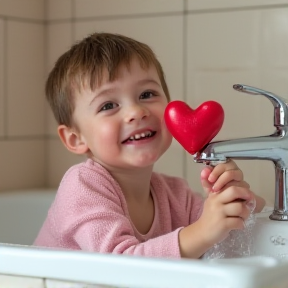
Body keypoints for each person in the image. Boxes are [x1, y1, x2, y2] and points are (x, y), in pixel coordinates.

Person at [34, 32, 265, 259]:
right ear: (76, 139)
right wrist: (203, 231)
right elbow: (118, 265)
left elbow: (225, 234)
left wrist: (233, 196)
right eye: (108, 105)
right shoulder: (83, 187)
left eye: (147, 94)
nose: (136, 111)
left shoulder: (175, 193)